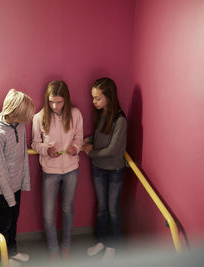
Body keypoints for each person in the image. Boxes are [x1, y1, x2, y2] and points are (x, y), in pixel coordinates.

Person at [31, 80, 83, 261]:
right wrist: (46, 149)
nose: (55, 106)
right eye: (52, 101)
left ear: (66, 100)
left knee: (68, 209)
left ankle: (66, 246)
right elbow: (35, 143)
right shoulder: (39, 117)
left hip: (71, 170)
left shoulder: (75, 114)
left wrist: (75, 148)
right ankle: (53, 249)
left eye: (59, 102)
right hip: (50, 171)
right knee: (48, 213)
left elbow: (79, 138)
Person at [0, 89, 35, 266]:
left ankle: (13, 251)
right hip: (2, 189)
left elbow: (23, 154)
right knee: (4, 223)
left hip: (16, 185)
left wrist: (24, 182)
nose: (24, 121)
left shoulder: (20, 125)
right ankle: (1, 258)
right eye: (22, 117)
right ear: (14, 113)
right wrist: (9, 197)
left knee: (14, 219)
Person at [83, 78, 127, 260]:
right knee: (102, 207)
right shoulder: (102, 114)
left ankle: (113, 245)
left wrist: (91, 153)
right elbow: (101, 138)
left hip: (114, 170)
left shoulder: (120, 119)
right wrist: (89, 141)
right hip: (98, 169)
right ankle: (101, 241)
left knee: (113, 209)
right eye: (93, 98)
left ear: (109, 97)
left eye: (97, 98)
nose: (94, 102)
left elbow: (113, 150)